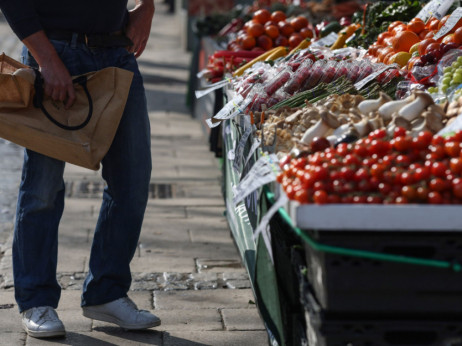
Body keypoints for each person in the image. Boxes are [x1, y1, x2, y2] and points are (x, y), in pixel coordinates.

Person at [0, 0, 159, 338]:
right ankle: (36, 300)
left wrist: (147, 6)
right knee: (43, 189)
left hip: (117, 53)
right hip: (55, 51)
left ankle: (106, 292)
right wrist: (47, 59)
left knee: (132, 182)